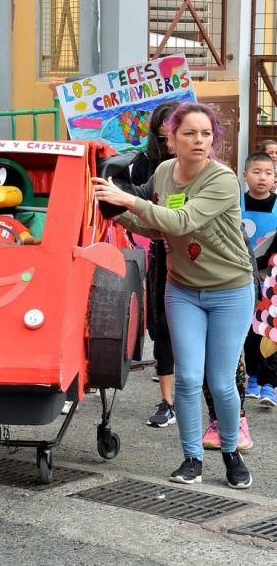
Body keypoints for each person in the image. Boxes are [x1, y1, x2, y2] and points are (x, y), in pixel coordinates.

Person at [93, 102, 255, 490]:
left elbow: (183, 220)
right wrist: (113, 209)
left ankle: (231, 453)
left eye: (205, 134)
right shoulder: (165, 173)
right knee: (186, 379)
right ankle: (191, 459)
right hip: (182, 289)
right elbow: (158, 229)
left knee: (219, 382)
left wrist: (130, 200)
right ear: (171, 138)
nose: (199, 141)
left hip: (230, 290)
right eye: (189, 133)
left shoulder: (222, 179)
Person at [130, 100, 179, 428]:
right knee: (160, 325)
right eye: (163, 139)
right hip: (161, 250)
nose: (170, 144)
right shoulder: (150, 164)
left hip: (200, 260)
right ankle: (168, 401)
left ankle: (223, 410)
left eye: (176, 134)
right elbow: (131, 195)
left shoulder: (212, 172)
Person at [241, 151, 277, 407]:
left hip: (272, 280)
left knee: (271, 331)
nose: (262, 178)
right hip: (242, 276)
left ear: (274, 178)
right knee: (247, 331)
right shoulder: (236, 204)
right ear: (245, 176)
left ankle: (269, 384)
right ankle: (252, 376)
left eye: (268, 173)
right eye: (256, 172)